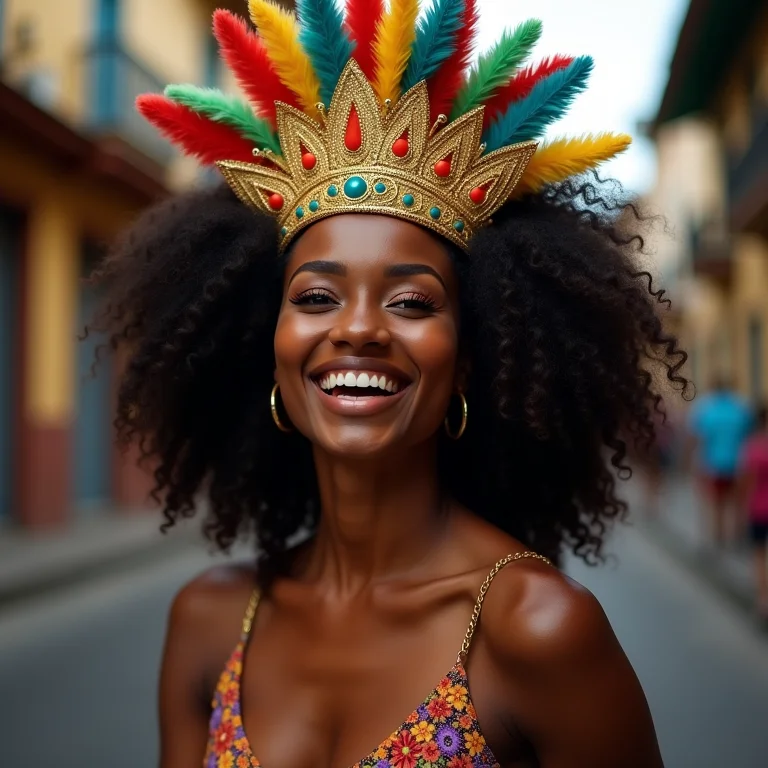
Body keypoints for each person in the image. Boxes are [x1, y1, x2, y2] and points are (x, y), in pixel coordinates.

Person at [92, 2, 686, 765]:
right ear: (268, 346)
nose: (360, 328)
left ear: (469, 359)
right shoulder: (210, 618)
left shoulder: (536, 631)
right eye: (315, 297)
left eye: (410, 302)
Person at [688, 379, 754, 546]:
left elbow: (699, 439)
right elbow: (749, 437)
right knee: (738, 502)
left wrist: (695, 465)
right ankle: (737, 535)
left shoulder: (707, 410)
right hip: (738, 464)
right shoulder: (741, 409)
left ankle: (720, 536)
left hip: (713, 464)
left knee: (717, 503)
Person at [739, 405, 768, 620]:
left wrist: (742, 510)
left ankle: (763, 600)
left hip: (759, 509)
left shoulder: (754, 447)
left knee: (758, 554)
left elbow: (746, 481)